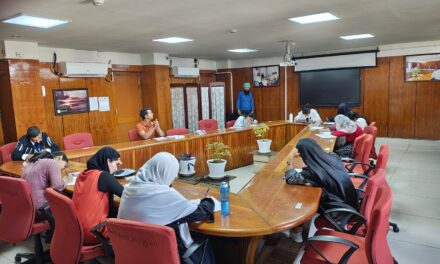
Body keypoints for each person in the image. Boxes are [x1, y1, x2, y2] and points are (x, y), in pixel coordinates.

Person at [118, 152, 215, 264]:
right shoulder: (163, 194)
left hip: (135, 255)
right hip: (163, 257)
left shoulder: (128, 190)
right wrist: (208, 200)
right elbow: (200, 213)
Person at [286, 138, 358, 211]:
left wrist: (290, 159)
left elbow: (290, 179)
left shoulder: (313, 172)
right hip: (350, 200)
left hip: (338, 208)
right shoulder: (333, 156)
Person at [72, 147, 124, 244]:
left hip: (76, 230)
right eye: (116, 164)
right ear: (108, 161)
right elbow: (127, 195)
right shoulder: (104, 176)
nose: (117, 168)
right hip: (94, 232)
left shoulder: (82, 174)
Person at [22, 151, 68, 219]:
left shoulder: (31, 162)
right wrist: (65, 181)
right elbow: (56, 185)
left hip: (25, 207)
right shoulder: (52, 162)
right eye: (64, 166)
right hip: (41, 209)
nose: (62, 168)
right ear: (60, 158)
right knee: (69, 200)